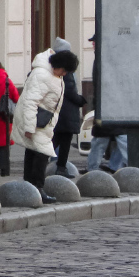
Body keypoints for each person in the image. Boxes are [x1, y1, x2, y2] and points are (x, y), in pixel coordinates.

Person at [14, 47, 78, 203]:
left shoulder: (52, 75)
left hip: (43, 120)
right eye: (65, 71)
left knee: (34, 151)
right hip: (37, 121)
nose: (65, 75)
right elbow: (30, 102)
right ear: (59, 66)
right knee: (42, 153)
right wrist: (29, 127)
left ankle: (30, 188)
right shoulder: (42, 75)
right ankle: (37, 187)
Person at [85, 33, 129, 172]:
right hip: (111, 104)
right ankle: (118, 167)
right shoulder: (105, 56)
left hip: (109, 105)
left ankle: (97, 168)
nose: (92, 44)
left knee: (108, 139)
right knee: (115, 138)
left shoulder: (104, 57)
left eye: (94, 41)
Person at [50, 38, 87, 176]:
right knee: (63, 141)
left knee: (55, 140)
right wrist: (80, 100)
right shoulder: (66, 68)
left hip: (58, 110)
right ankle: (60, 167)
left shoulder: (52, 66)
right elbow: (70, 90)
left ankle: (54, 166)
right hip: (66, 112)